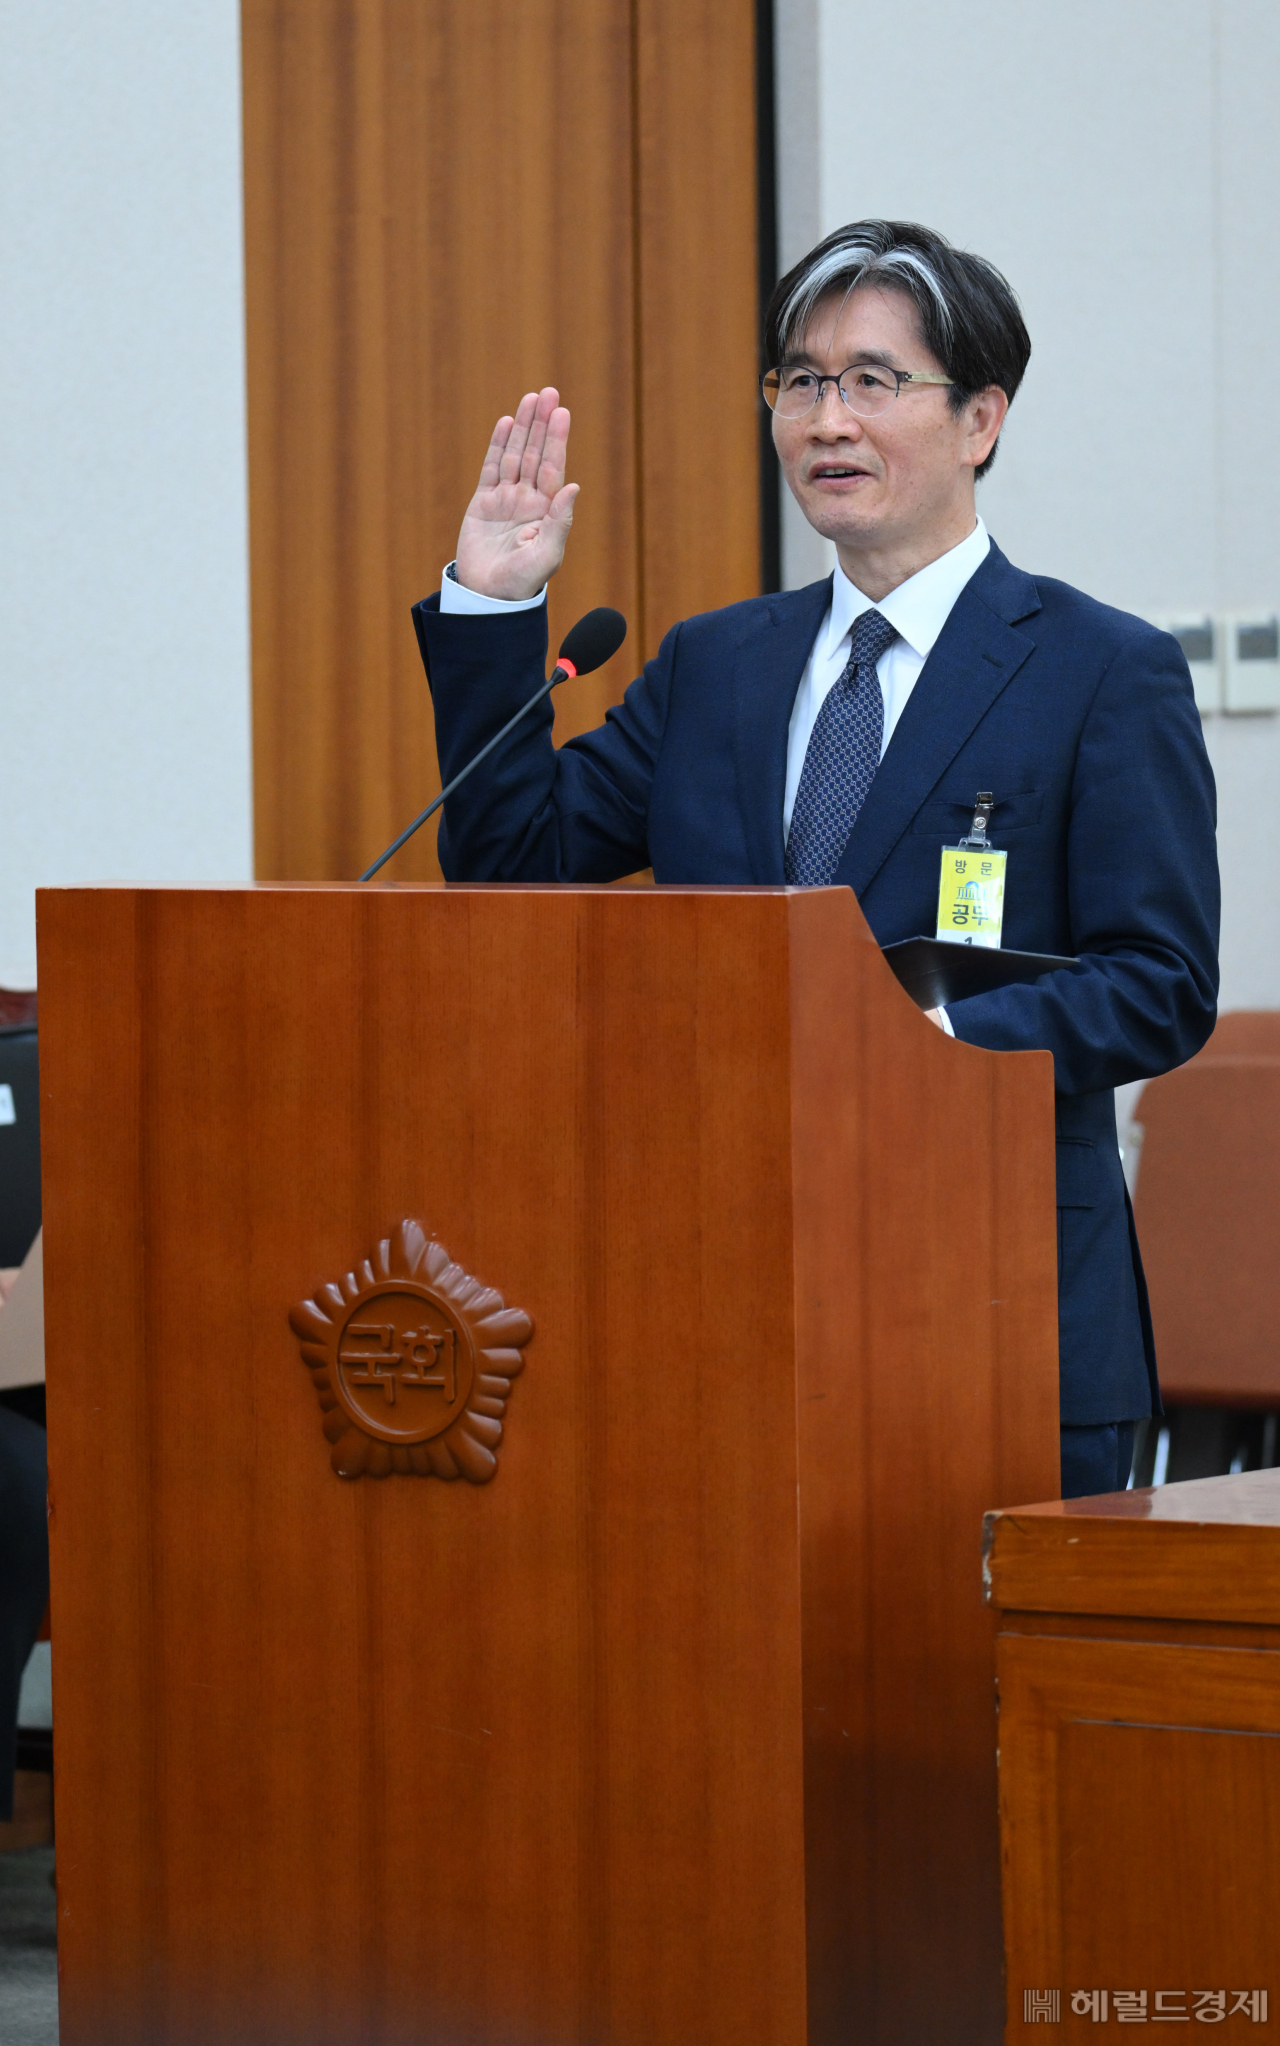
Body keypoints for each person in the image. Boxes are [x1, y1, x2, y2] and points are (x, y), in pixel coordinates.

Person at [412, 219, 1219, 1500]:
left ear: (979, 420)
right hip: (707, 1289)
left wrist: (909, 1042)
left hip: (981, 1294)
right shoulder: (715, 662)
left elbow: (1158, 982)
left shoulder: (1098, 670)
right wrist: (493, 606)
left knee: (958, 1693)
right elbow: (515, 863)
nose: (825, 418)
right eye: (799, 381)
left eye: (872, 380)